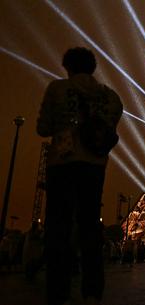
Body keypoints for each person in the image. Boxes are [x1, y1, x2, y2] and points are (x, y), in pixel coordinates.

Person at [37, 47, 122, 305]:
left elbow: (43, 128)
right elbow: (110, 128)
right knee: (90, 228)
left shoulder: (57, 89)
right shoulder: (110, 98)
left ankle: (58, 292)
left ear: (68, 67)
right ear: (93, 68)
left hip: (62, 163)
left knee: (59, 228)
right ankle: (93, 292)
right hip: (93, 166)